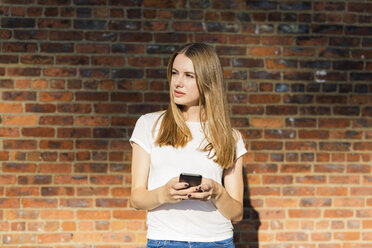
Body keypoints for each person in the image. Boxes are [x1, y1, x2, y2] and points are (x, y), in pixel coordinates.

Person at [130, 42, 247, 248]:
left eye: (189, 75)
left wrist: (217, 192)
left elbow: (236, 214)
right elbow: (136, 199)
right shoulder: (148, 125)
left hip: (217, 242)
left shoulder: (231, 137)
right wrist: (164, 193)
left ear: (208, 81)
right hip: (165, 241)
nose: (177, 82)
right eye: (175, 73)